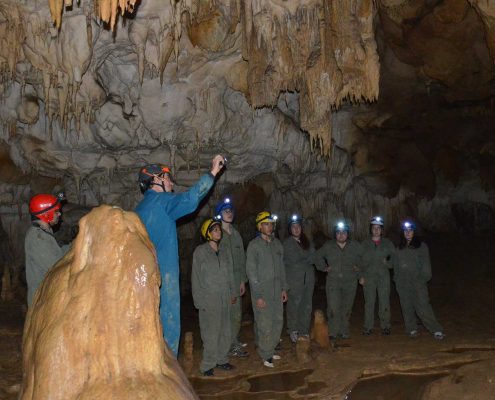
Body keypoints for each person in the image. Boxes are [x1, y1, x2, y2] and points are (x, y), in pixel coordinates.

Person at [135, 155, 225, 356]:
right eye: (166, 177)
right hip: (163, 279)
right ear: (155, 180)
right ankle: (168, 375)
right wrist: (212, 173)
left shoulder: (138, 210)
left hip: (141, 282)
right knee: (168, 328)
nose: (171, 182)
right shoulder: (161, 202)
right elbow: (190, 200)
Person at [192, 218, 236, 376]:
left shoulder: (224, 251)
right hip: (209, 298)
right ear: (207, 233)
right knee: (210, 332)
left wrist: (232, 292)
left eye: (219, 230)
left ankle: (222, 359)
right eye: (215, 230)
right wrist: (199, 301)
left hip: (225, 296)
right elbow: (195, 278)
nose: (218, 232)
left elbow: (230, 274)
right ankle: (208, 364)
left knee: (225, 330)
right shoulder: (200, 252)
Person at [246, 211, 288, 368]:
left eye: (271, 224)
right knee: (264, 323)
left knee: (278, 321)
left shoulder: (277, 244)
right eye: (266, 224)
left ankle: (270, 349)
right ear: (259, 226)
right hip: (263, 292)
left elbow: (282, 268)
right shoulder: (254, 246)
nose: (269, 227)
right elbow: (252, 272)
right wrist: (257, 295)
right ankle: (265, 354)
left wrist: (284, 288)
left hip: (277, 290)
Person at [394, 221, 445, 340]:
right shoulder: (399, 248)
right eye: (405, 231)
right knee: (407, 307)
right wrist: (397, 281)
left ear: (414, 232)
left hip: (418, 282)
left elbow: (426, 267)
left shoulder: (421, 247)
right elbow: (395, 265)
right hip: (403, 283)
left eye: (410, 230)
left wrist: (422, 279)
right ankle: (411, 328)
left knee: (423, 306)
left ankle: (436, 329)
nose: (407, 233)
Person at [314, 220, 362, 339]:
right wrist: (323, 267)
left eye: (344, 232)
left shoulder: (355, 246)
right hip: (333, 281)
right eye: (338, 232)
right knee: (333, 307)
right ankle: (333, 332)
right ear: (335, 234)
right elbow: (317, 256)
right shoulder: (329, 246)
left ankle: (344, 330)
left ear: (347, 233)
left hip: (350, 281)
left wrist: (359, 267)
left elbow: (365, 257)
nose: (341, 235)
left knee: (346, 308)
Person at [215, 197, 249, 358]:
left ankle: (233, 342)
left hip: (236, 280)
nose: (229, 213)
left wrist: (242, 280)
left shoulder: (236, 234)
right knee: (225, 314)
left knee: (236, 314)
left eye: (230, 211)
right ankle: (226, 345)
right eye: (225, 211)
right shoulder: (216, 234)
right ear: (219, 214)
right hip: (223, 281)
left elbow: (241, 258)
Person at [25, 193, 68, 306]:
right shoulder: (38, 238)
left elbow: (57, 253)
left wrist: (77, 245)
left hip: (46, 298)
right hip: (42, 302)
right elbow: (58, 266)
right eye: (56, 211)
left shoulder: (42, 234)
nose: (59, 214)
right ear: (46, 214)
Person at [361, 216, 396, 336]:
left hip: (383, 276)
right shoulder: (364, 244)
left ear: (382, 230)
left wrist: (389, 264)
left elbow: (395, 257)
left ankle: (385, 326)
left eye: (378, 228)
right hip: (368, 276)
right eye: (374, 228)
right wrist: (360, 276)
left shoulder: (387, 243)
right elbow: (358, 261)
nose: (376, 230)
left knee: (384, 301)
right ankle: (368, 327)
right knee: (369, 302)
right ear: (371, 229)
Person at [283, 214, 315, 343]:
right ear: (290, 229)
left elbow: (314, 257)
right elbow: (287, 261)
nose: (296, 229)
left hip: (308, 279)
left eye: (298, 226)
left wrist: (325, 267)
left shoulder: (308, 242)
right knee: (294, 305)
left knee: (306, 305)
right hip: (294, 279)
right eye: (293, 227)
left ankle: (304, 330)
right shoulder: (286, 244)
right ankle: (293, 330)